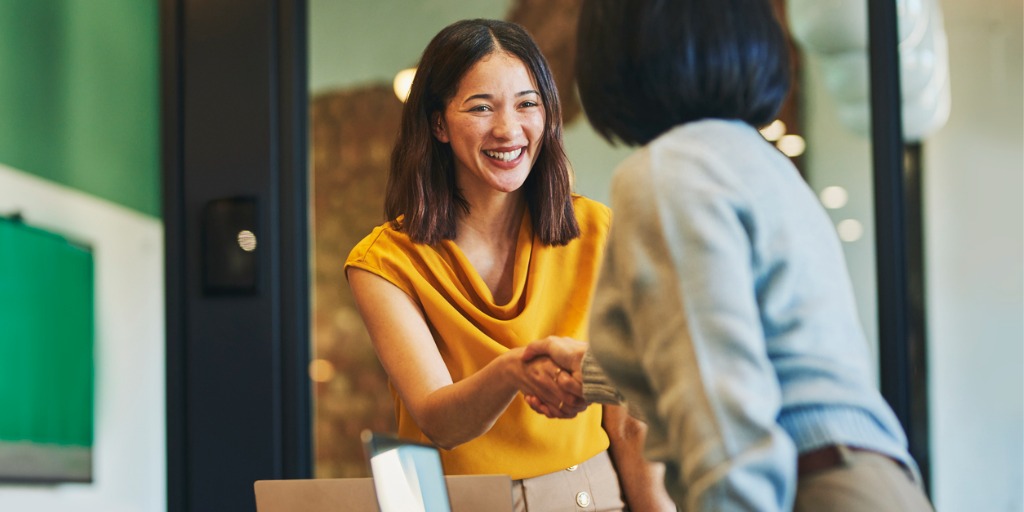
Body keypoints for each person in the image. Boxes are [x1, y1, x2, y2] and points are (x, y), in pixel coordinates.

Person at [523, 1, 937, 511]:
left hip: (807, 487)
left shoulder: (669, 172)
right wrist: (591, 374)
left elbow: (723, 423)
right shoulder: (760, 163)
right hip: (868, 480)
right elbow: (755, 352)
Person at [344, 18, 673, 512]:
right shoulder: (383, 263)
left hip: (590, 497)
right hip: (450, 502)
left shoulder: (598, 232)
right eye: (481, 107)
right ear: (438, 124)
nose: (508, 128)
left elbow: (629, 418)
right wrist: (515, 371)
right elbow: (440, 421)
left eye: (527, 104)